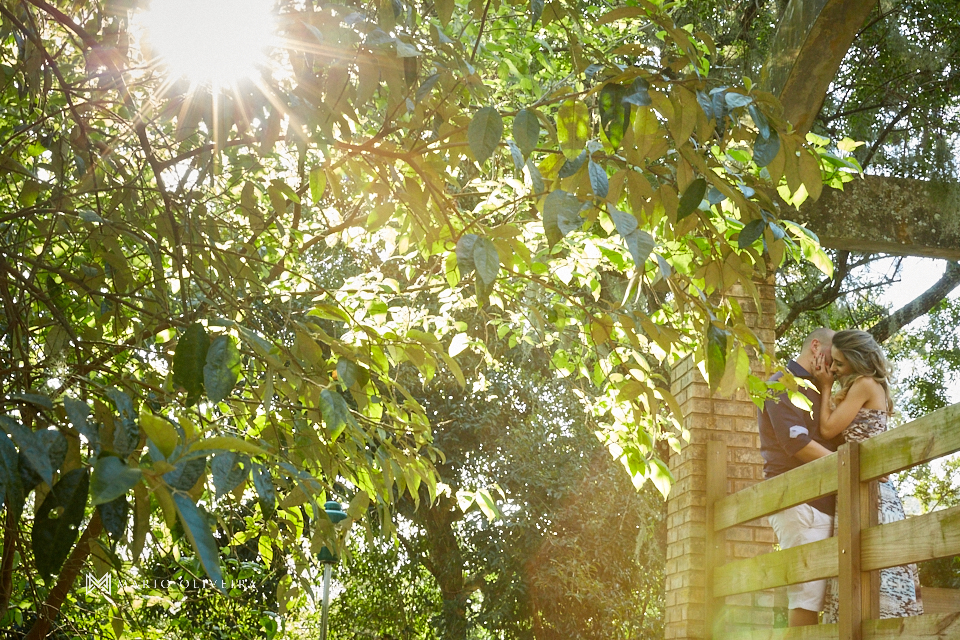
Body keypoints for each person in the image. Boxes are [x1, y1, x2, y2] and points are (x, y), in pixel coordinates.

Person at [812, 329, 923, 621]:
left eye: (838, 363)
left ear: (857, 360)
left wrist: (825, 388)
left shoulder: (864, 384)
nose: (833, 369)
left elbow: (827, 429)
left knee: (869, 567)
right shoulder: (867, 386)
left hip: (869, 490)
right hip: (866, 486)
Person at [759, 327, 843, 627]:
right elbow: (798, 444)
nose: (834, 366)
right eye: (832, 357)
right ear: (816, 346)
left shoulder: (823, 386)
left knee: (827, 600)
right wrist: (850, 466)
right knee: (807, 602)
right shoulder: (780, 384)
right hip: (798, 501)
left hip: (828, 502)